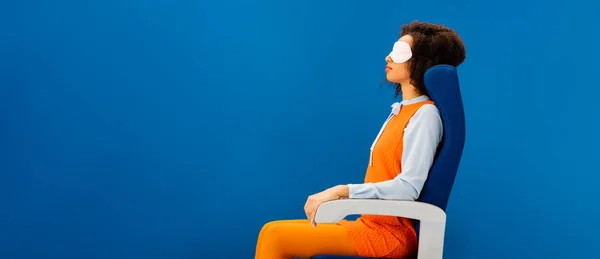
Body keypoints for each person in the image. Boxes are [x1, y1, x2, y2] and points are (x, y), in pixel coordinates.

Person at [254, 20, 467, 259]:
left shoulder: (425, 115)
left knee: (277, 238)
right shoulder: (401, 111)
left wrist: (341, 191)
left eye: (399, 52)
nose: (388, 58)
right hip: (369, 224)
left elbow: (408, 187)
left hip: (390, 234)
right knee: (269, 230)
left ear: (422, 62)